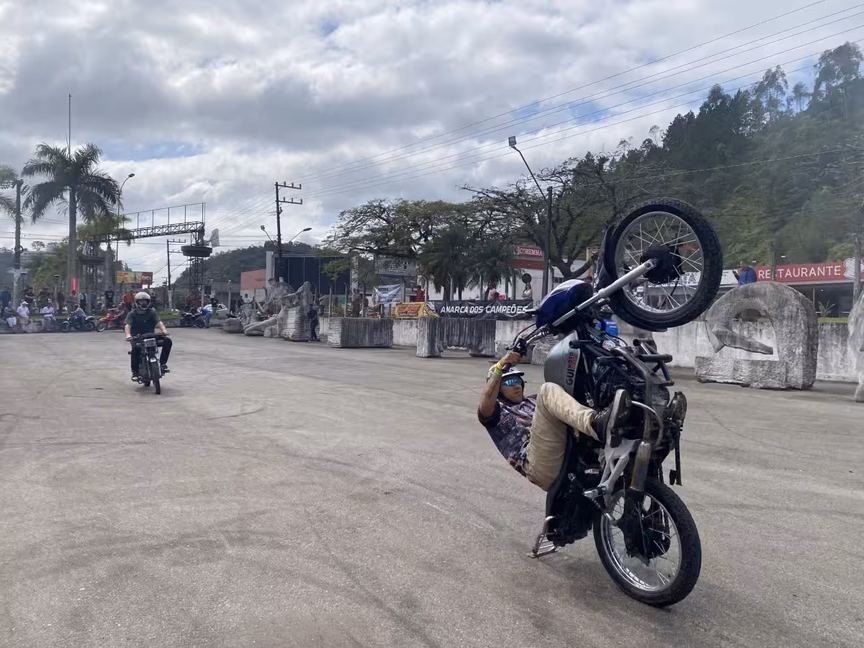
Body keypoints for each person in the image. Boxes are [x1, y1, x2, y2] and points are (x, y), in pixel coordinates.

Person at [477, 349, 633, 491]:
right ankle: (595, 424)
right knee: (547, 390)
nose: (517, 385)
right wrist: (500, 366)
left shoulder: (533, 401)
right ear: (498, 389)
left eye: (518, 381)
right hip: (537, 464)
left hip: (564, 450)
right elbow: (485, 402)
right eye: (510, 382)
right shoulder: (496, 414)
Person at [125, 291, 172, 381]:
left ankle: (162, 364)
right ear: (137, 302)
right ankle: (135, 372)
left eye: (145, 301)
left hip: (151, 336)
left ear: (148, 302)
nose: (143, 303)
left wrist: (164, 330)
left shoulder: (152, 313)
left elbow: (159, 322)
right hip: (137, 338)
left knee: (167, 341)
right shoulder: (132, 314)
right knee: (135, 349)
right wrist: (128, 335)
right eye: (141, 301)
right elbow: (127, 325)